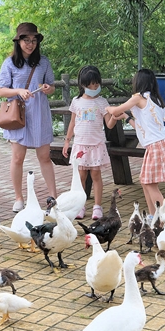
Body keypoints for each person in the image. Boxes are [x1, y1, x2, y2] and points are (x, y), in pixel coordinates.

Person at [0, 22, 58, 212]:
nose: (30, 44)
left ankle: (53, 197)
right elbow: (1, 91)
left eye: (33, 40)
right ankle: (18, 198)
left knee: (44, 157)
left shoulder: (44, 62)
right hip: (19, 115)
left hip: (40, 113)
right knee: (17, 158)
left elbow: (52, 87)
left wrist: (48, 89)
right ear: (18, 41)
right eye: (26, 40)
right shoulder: (10, 63)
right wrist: (19, 91)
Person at [106, 69, 165, 217]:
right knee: (146, 181)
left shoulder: (138, 98)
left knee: (149, 183)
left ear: (138, 82)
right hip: (160, 143)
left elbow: (115, 110)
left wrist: (106, 107)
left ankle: (163, 220)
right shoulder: (154, 100)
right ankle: (153, 217)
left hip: (156, 145)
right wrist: (126, 117)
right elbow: (141, 127)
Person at [62, 65, 110, 220]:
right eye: (90, 85)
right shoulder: (76, 102)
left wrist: (115, 115)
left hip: (96, 144)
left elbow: (109, 124)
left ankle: (97, 206)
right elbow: (72, 123)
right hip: (80, 144)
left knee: (96, 174)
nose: (93, 88)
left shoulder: (102, 102)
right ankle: (79, 206)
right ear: (82, 85)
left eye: (96, 85)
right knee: (80, 175)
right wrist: (67, 141)